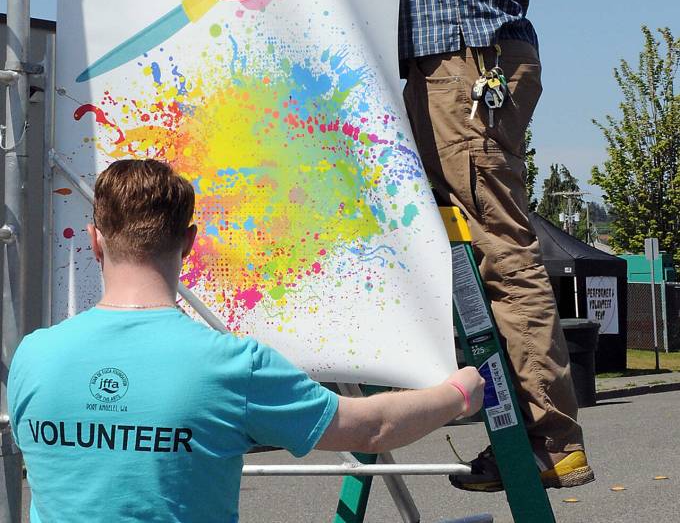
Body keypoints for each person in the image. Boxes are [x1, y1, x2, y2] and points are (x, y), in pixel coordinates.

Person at [371, 0, 594, 492]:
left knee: (500, 247)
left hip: (472, 56)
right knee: (462, 247)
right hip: (451, 58)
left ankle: (552, 439)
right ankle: (508, 424)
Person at [9, 158, 484, 523]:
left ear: (95, 240)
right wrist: (459, 393)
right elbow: (370, 429)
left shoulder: (34, 356)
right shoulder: (233, 366)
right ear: (189, 242)